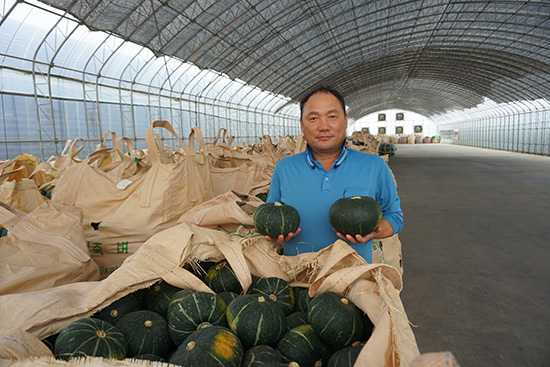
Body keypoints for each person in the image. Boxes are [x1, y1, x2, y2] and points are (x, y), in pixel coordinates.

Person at [265, 86, 403, 263]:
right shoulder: (284, 168)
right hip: (298, 276)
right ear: (301, 124)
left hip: (354, 277)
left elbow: (394, 216)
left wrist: (376, 230)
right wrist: (276, 233)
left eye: (332, 117)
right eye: (314, 118)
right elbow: (272, 215)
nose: (324, 127)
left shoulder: (374, 165)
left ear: (345, 121)